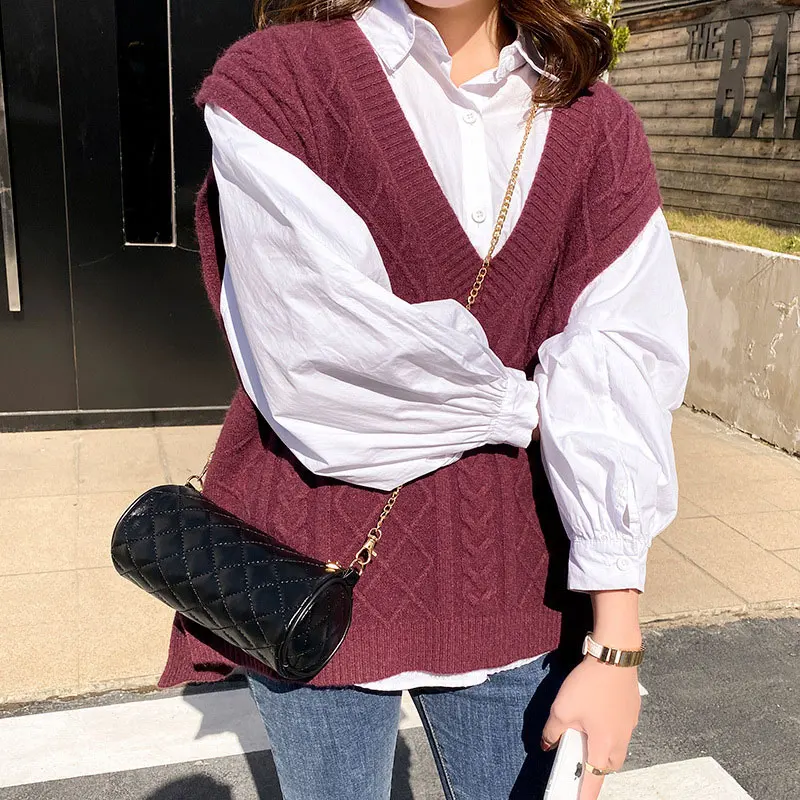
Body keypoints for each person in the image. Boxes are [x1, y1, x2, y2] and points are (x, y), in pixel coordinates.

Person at [157, 0, 690, 797]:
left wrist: (615, 643)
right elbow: (320, 362)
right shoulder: (278, 81)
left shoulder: (595, 124)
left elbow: (622, 365)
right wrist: (531, 408)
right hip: (302, 577)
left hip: (516, 584)